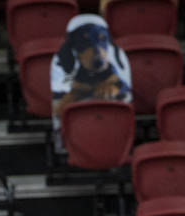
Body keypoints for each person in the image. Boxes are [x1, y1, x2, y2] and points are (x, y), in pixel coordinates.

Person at [51, 14, 132, 153]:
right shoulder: (76, 76)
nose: (98, 55)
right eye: (85, 43)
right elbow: (75, 91)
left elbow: (123, 86)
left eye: (102, 40)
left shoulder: (112, 72)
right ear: (73, 47)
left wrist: (112, 88)